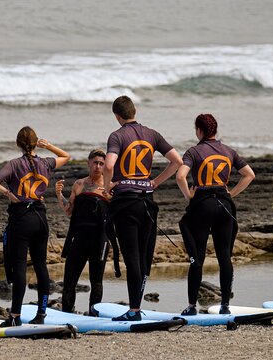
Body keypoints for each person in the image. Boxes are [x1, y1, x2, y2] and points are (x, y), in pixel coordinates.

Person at [103, 95, 183, 321]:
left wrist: (108, 186)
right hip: (148, 202)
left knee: (132, 259)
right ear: (135, 111)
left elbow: (109, 164)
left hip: (126, 203)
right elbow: (177, 160)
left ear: (117, 116)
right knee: (143, 256)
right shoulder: (152, 134)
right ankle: (137, 306)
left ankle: (134, 310)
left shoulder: (117, 135)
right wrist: (155, 181)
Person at [0, 127, 70, 326]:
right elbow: (66, 156)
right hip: (40, 218)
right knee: (41, 266)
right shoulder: (46, 163)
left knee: (19, 268)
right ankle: (42, 313)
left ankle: (15, 316)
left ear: (18, 143)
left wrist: (8, 194)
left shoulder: (15, 164)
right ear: (35, 144)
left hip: (21, 219)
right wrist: (49, 145)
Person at [176, 114, 255, 315]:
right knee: (224, 258)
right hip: (225, 206)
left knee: (198, 258)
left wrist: (188, 195)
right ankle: (225, 306)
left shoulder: (194, 152)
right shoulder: (228, 151)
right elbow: (249, 174)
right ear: (215, 130)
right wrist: (232, 193)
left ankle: (192, 306)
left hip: (202, 205)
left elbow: (180, 176)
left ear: (199, 131)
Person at [55, 149, 110, 314]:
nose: (98, 167)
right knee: (69, 280)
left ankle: (94, 315)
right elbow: (69, 211)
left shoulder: (110, 186)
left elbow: (117, 213)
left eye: (101, 164)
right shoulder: (79, 184)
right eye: (95, 163)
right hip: (79, 239)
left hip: (100, 240)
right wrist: (58, 194)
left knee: (96, 281)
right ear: (89, 163)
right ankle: (66, 313)